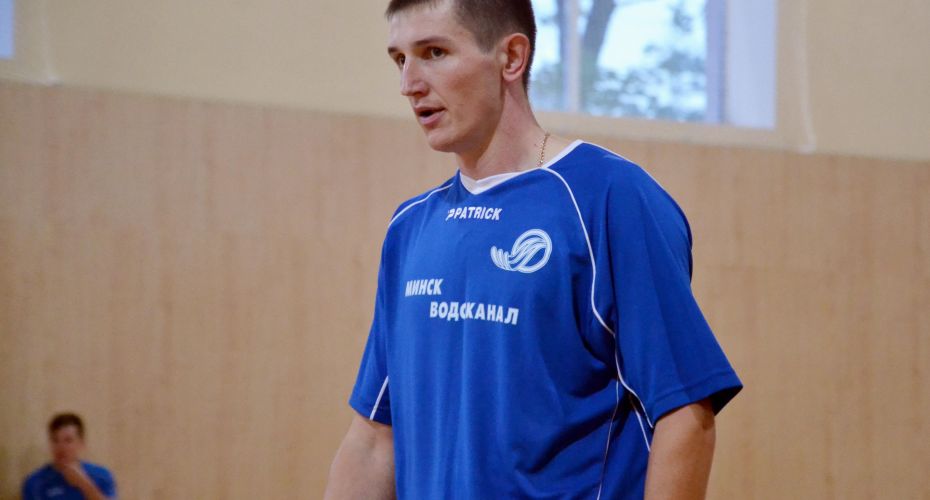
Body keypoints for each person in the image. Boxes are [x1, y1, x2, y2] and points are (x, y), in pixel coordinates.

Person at [325, 0, 742, 498]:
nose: (409, 83)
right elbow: (373, 438)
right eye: (400, 59)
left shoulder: (609, 198)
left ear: (511, 57)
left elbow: (685, 413)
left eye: (434, 52)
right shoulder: (410, 228)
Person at [21, 413, 117, 500]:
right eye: (55, 440)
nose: (61, 447)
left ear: (81, 443)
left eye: (68, 440)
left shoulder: (101, 476)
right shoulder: (35, 482)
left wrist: (84, 485)